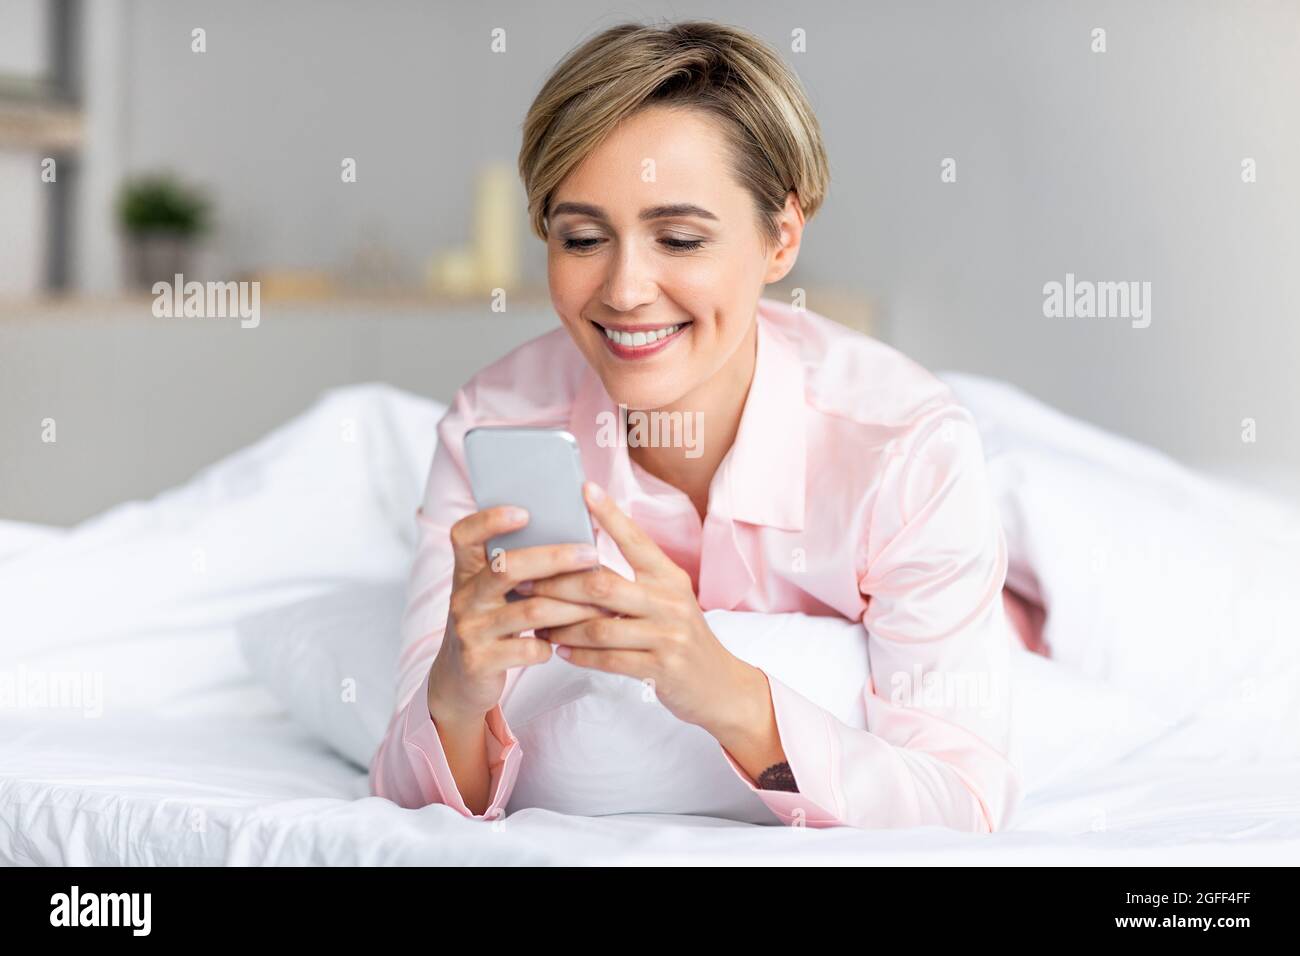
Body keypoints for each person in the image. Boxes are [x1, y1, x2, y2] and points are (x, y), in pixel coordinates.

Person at [370, 20, 1027, 831]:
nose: (625, 289)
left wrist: (724, 690)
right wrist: (456, 694)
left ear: (780, 237)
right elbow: (401, 795)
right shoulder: (495, 420)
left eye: (678, 238)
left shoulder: (904, 448)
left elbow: (961, 804)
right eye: (582, 238)